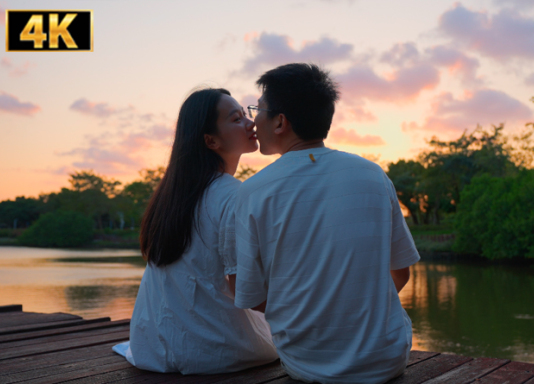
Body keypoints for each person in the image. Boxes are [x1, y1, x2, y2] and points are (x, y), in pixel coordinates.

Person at [226, 63, 421, 383]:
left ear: (280, 122)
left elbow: (251, 296)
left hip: (308, 364)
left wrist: (313, 317)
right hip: (386, 360)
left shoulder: (253, 192)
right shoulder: (373, 174)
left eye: (258, 110)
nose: (253, 121)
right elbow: (401, 272)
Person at [113, 88, 278, 374]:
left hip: (153, 347)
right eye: (236, 119)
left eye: (246, 114)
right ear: (210, 140)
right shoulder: (233, 195)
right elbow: (247, 292)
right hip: (217, 349)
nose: (251, 123)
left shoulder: (173, 196)